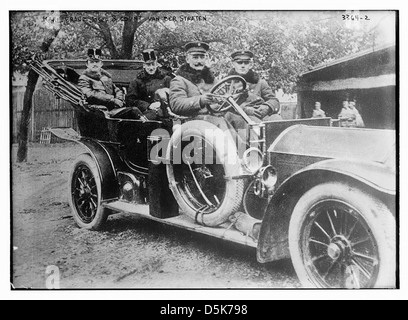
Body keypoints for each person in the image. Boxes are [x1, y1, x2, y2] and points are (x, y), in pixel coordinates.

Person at [78, 48, 141, 119]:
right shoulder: (84, 78)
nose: (94, 64)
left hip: (112, 110)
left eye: (97, 62)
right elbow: (90, 94)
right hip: (98, 111)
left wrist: (119, 100)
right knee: (133, 111)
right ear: (87, 64)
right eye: (92, 62)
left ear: (101, 64)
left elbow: (117, 90)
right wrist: (112, 100)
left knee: (134, 111)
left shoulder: (106, 77)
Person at [228, 50, 281, 121]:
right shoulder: (226, 84)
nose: (243, 65)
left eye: (246, 63)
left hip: (260, 116)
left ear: (251, 65)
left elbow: (274, 100)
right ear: (233, 64)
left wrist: (267, 107)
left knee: (277, 119)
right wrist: (244, 109)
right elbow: (220, 105)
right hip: (238, 119)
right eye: (239, 62)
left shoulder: (260, 83)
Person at [126, 49, 173, 120]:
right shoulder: (137, 81)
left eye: (153, 64)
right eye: (148, 64)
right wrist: (148, 106)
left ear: (157, 64)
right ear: (144, 65)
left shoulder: (166, 79)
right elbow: (130, 100)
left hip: (166, 114)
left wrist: (162, 105)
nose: (151, 68)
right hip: (146, 114)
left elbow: (175, 97)